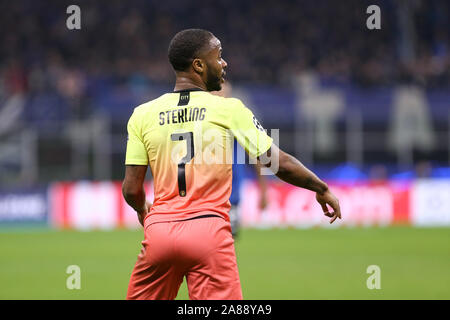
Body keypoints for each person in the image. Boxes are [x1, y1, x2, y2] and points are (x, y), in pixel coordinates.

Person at [122, 29, 341, 300]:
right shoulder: (229, 109)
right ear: (198, 65)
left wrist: (145, 211)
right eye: (219, 56)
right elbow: (278, 162)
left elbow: (131, 189)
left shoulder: (142, 115)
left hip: (160, 233)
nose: (224, 63)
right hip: (209, 232)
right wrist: (320, 187)